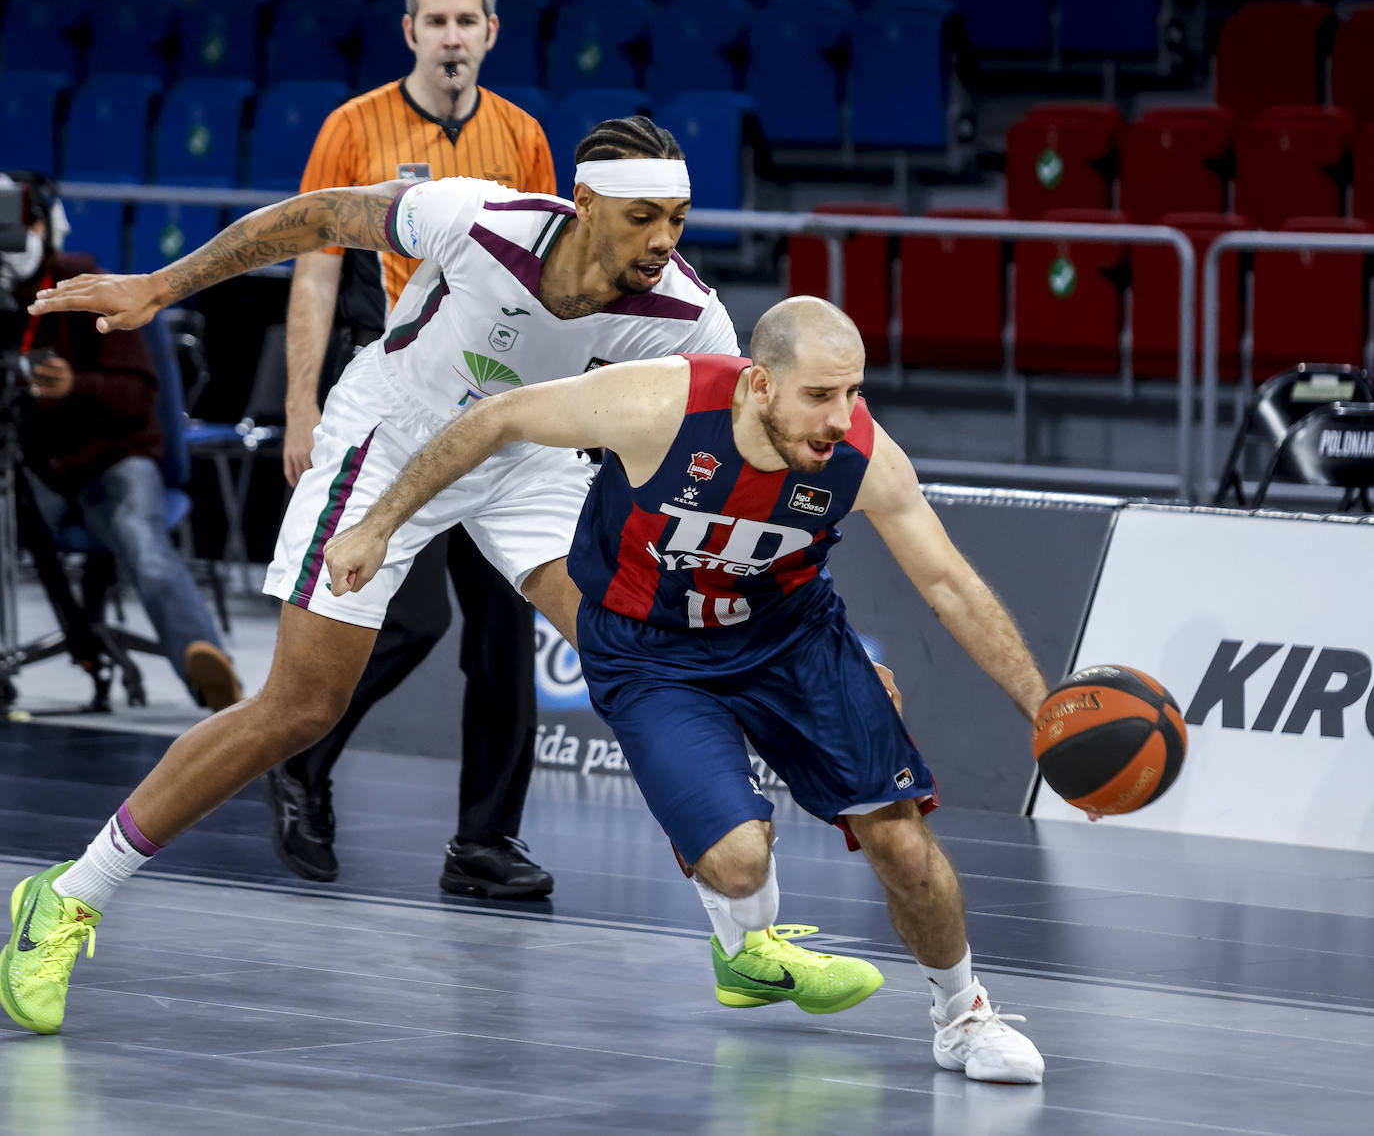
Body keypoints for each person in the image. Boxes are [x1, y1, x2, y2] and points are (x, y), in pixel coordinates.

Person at [3, 118, 882, 1040]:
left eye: (677, 218)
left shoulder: (690, 315)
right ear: (584, 206)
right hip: (392, 438)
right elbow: (315, 219)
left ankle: (747, 940)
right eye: (642, 218)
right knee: (302, 705)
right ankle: (66, 894)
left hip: (531, 463)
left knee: (645, 671)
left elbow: (731, 457)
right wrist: (159, 285)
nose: (663, 240)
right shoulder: (479, 219)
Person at [315, 296, 1051, 1084]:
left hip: (791, 638)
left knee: (903, 842)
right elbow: (495, 418)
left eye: (854, 392)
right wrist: (378, 523)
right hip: (651, 653)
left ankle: (964, 1014)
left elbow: (952, 586)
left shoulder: (863, 456)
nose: (841, 417)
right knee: (737, 861)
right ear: (761, 384)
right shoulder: (658, 404)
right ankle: (744, 939)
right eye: (819, 396)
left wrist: (1047, 711)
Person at [268, 0, 559, 897]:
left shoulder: (523, 139)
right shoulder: (350, 129)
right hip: (391, 407)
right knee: (411, 614)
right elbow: (312, 270)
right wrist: (300, 402)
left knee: (505, 630)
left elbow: (550, 289)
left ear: (489, 32)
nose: (450, 38)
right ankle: (301, 760)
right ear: (409, 31)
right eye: (433, 22)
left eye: (465, 21)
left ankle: (484, 842)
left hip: (494, 412)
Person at [1, 171, 240, 712]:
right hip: (38, 470)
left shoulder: (88, 283)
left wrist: (73, 386)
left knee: (139, 537)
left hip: (117, 460)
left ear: (43, 226)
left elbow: (140, 394)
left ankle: (208, 671)